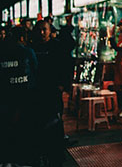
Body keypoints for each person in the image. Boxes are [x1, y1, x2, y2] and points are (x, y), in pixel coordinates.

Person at [32, 20, 71, 166]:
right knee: (39, 123)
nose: (42, 33)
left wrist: (63, 85)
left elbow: (66, 65)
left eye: (44, 30)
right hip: (37, 93)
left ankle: (56, 155)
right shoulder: (33, 48)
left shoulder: (57, 46)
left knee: (55, 122)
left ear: (49, 31)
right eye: (39, 30)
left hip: (53, 91)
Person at [0, 26, 38, 166]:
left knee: (7, 128)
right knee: (24, 129)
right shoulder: (28, 52)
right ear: (22, 38)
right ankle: (23, 160)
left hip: (6, 98)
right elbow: (35, 70)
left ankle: (7, 160)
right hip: (26, 96)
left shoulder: (2, 52)